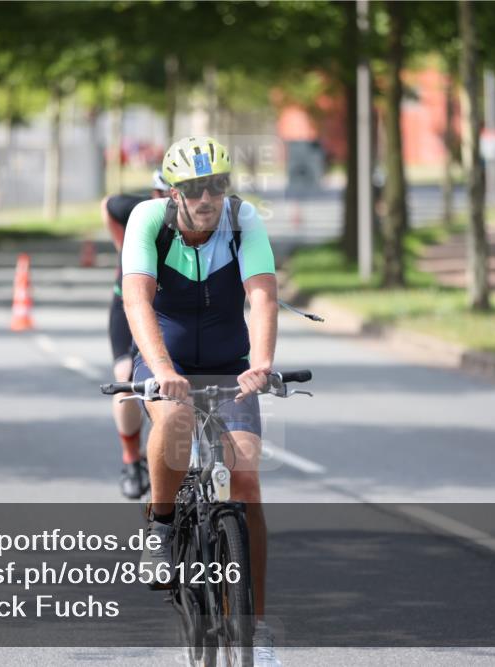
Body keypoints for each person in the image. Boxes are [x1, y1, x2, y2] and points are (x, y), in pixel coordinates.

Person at [121, 137, 281, 666]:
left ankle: (253, 626)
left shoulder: (243, 219)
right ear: (172, 192)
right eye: (193, 188)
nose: (207, 197)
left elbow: (261, 293)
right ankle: (162, 527)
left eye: (217, 185)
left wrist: (260, 362)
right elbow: (136, 299)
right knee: (176, 418)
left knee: (248, 479)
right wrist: (163, 371)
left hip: (229, 362)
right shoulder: (148, 220)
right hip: (165, 359)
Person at [102, 170, 171, 499]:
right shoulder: (138, 211)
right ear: (154, 195)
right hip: (127, 303)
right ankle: (132, 459)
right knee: (126, 375)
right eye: (166, 194)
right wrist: (122, 246)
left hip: (163, 305)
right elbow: (108, 205)